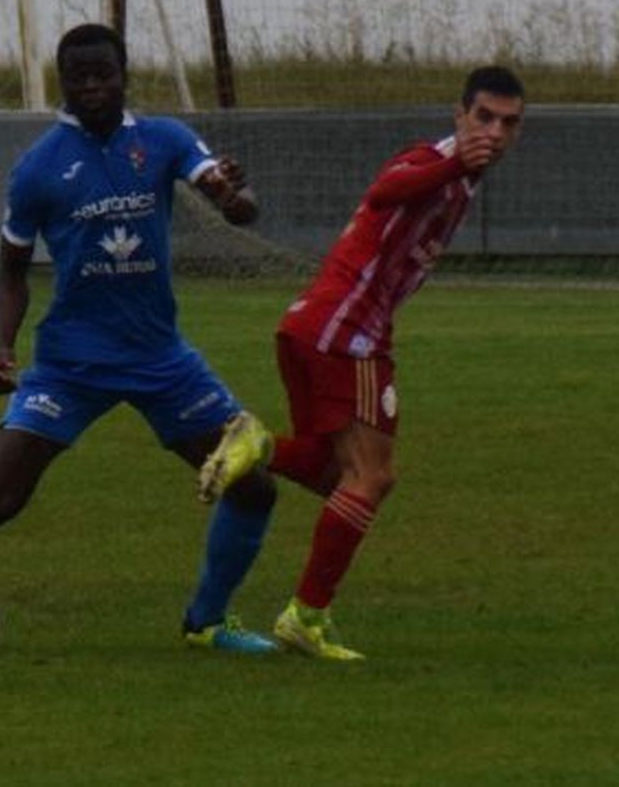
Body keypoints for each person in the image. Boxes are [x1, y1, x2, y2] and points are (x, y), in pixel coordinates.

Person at [0, 23, 281, 653]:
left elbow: (239, 204)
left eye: (104, 74)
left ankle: (206, 622)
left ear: (125, 76)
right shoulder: (39, 168)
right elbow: (10, 274)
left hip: (159, 357)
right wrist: (2, 346)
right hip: (70, 364)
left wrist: (233, 196)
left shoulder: (164, 139)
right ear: (63, 83)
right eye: (79, 77)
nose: (93, 86)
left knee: (253, 486)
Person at [199, 65, 526, 661]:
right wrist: (454, 162)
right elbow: (386, 189)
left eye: (509, 123)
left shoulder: (460, 178)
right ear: (459, 116)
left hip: (310, 326)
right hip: (346, 333)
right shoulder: (434, 161)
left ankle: (260, 447)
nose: (495, 133)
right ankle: (306, 615)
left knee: (334, 471)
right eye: (484, 118)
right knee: (372, 477)